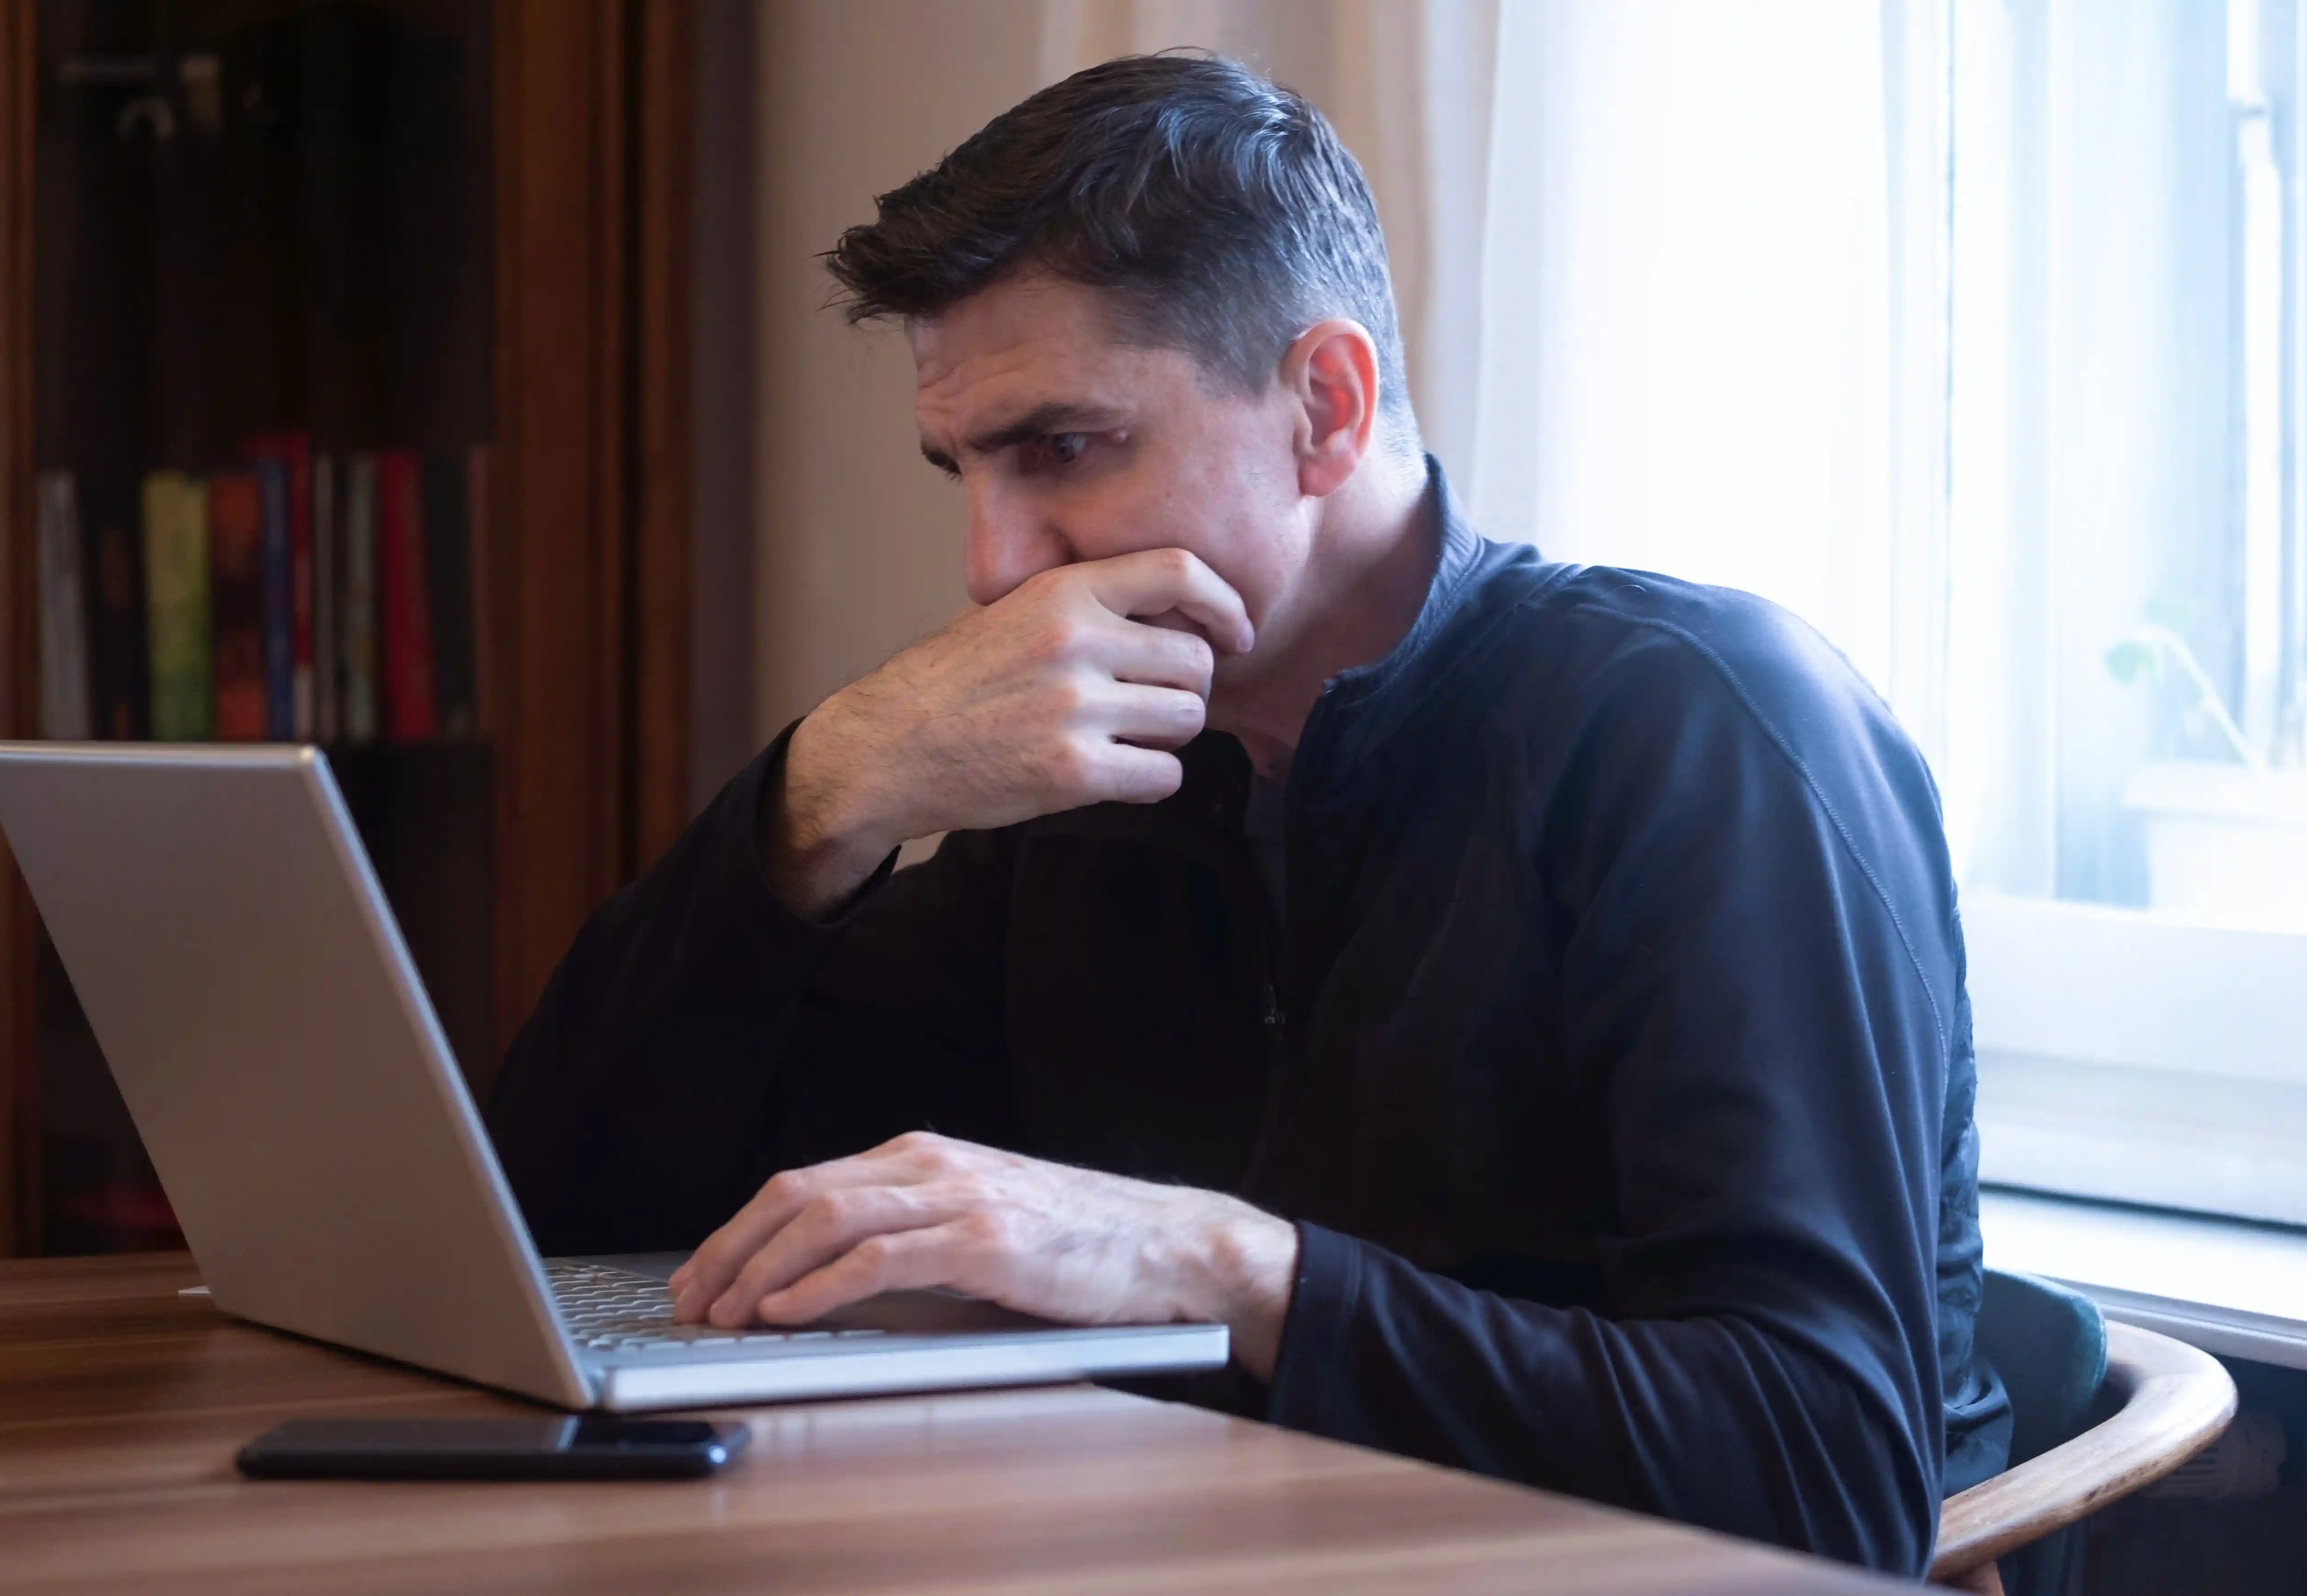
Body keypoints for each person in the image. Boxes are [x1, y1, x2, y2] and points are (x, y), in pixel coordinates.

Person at [487, 50, 2008, 1574]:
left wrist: (1207, 1260)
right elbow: (561, 1216)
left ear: (1323, 409)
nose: (992, 566)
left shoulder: (1703, 732)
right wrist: (836, 782)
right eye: (960, 468)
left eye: (1061, 448)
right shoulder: (1098, 783)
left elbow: (1822, 1474)